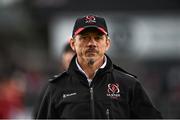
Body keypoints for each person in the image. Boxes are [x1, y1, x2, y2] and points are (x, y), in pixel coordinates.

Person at [34, 15, 162, 119]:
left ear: (107, 43)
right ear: (73, 44)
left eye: (98, 38)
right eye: (84, 38)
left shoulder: (128, 85)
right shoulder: (56, 88)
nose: (92, 43)